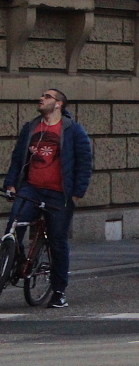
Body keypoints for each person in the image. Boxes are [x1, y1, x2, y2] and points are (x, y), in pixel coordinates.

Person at [4, 89, 94, 308]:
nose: (41, 99)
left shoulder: (73, 131)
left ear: (58, 104)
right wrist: (11, 183)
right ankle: (12, 263)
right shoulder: (31, 127)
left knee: (57, 242)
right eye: (42, 96)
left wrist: (76, 192)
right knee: (13, 227)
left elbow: (84, 162)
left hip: (58, 194)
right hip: (30, 189)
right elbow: (18, 157)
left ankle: (58, 291)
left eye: (47, 97)